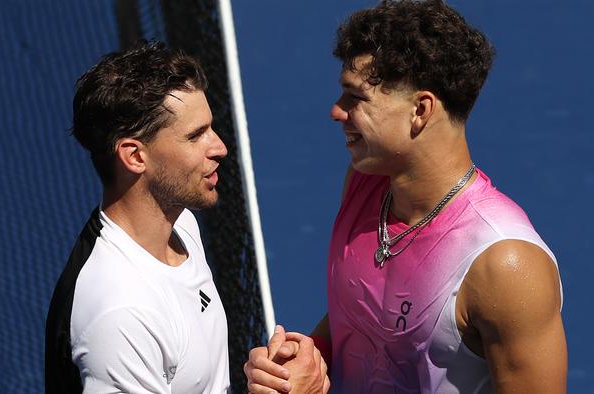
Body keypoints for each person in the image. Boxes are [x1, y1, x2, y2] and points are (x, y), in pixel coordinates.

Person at [245, 1, 567, 393]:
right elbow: (363, 317)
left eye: (355, 98)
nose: (336, 111)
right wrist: (310, 361)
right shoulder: (365, 184)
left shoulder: (505, 266)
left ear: (420, 109)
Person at [44, 41, 232, 393]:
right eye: (195, 136)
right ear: (134, 157)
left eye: (211, 127)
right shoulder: (120, 313)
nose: (219, 147)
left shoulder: (181, 223)